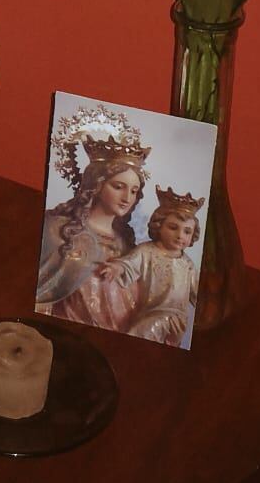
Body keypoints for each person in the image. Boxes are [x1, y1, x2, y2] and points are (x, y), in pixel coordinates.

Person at [34, 137, 148, 331]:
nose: (127, 198)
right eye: (118, 187)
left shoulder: (126, 245)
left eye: (134, 191)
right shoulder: (59, 230)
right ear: (96, 185)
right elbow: (41, 292)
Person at [97, 189, 203, 347]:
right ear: (159, 226)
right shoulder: (147, 251)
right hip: (149, 312)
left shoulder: (188, 264)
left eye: (187, 231)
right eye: (173, 227)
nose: (180, 235)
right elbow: (129, 263)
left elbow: (197, 293)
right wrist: (116, 268)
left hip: (176, 318)